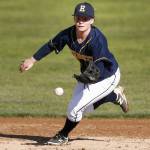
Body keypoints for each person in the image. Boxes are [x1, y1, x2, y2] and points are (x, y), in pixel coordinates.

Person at [20, 2, 129, 145]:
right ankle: (114, 95)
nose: (80, 21)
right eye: (78, 17)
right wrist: (32, 60)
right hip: (88, 75)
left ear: (92, 20)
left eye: (85, 18)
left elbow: (100, 66)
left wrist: (89, 78)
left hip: (107, 76)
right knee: (81, 110)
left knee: (75, 111)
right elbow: (51, 45)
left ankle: (63, 135)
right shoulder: (68, 34)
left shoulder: (97, 40)